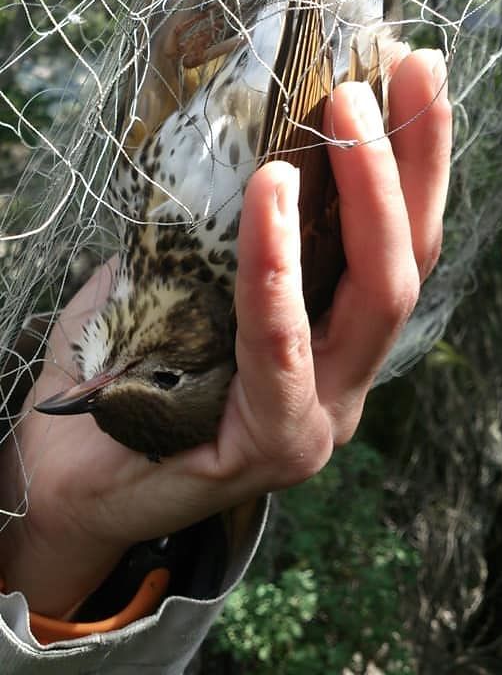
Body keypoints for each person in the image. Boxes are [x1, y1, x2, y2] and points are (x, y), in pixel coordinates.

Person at [0, 46, 451, 672]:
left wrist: (52, 527)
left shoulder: (135, 255)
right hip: (320, 50)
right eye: (164, 377)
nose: (94, 381)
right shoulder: (231, 281)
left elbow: (165, 91)